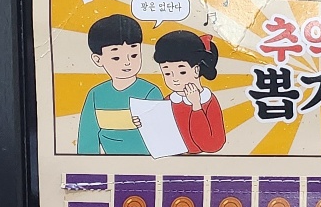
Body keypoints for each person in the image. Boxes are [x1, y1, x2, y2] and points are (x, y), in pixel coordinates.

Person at [76, 14, 161, 154]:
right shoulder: (96, 94)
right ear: (98, 59)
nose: (127, 62)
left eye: (134, 55)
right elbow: (88, 137)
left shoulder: (150, 91)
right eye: (116, 58)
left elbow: (161, 133)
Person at [153, 30, 227, 153]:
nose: (174, 78)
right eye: (167, 73)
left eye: (182, 72)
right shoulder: (168, 101)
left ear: (196, 70)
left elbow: (213, 145)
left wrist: (196, 106)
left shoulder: (208, 101)